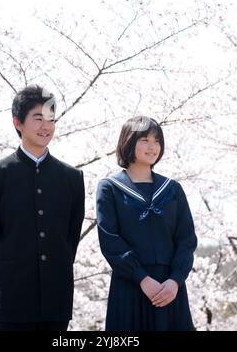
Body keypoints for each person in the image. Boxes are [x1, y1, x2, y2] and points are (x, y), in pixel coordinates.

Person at [0, 85, 85, 331]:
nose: (46, 126)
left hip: (56, 304)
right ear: (18, 122)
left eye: (51, 120)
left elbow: (70, 240)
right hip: (9, 304)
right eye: (38, 118)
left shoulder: (72, 178)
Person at [96, 116, 197, 331]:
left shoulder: (173, 189)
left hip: (170, 288)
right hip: (130, 285)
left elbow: (186, 239)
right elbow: (109, 240)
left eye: (157, 141)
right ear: (128, 142)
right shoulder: (110, 188)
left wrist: (175, 280)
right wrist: (141, 278)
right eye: (144, 140)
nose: (152, 147)